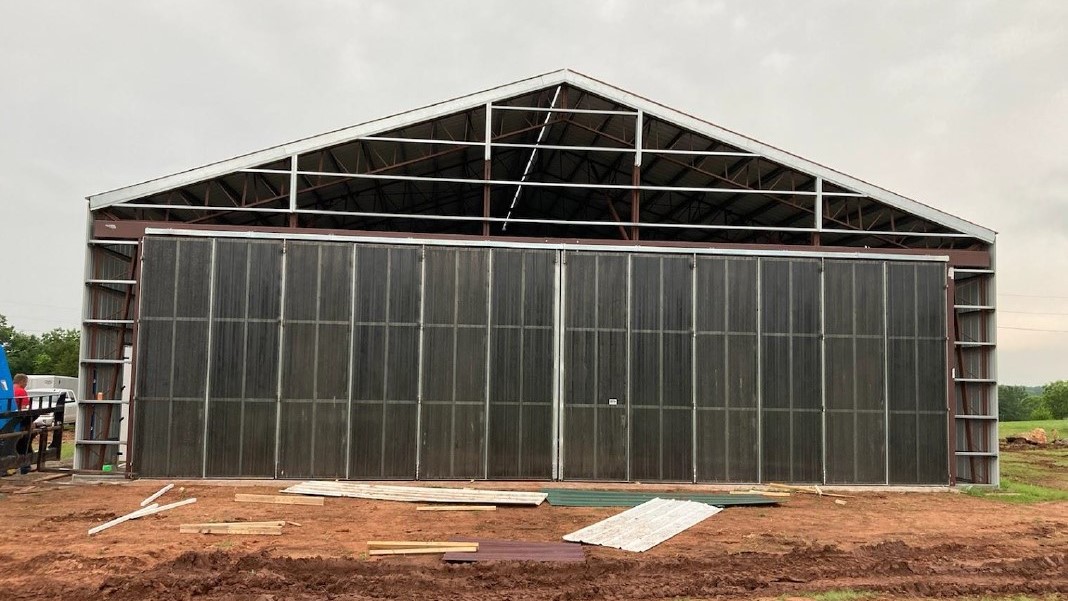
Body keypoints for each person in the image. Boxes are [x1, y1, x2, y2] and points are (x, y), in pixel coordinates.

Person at [12, 374, 31, 473]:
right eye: (26, 382)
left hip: (7, 420)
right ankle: (25, 466)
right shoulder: (21, 391)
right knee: (25, 439)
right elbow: (24, 409)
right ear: (22, 381)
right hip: (17, 421)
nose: (26, 384)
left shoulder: (8, 390)